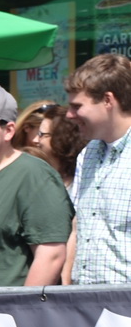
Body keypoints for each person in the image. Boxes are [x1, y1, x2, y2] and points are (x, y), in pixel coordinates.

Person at [0, 85, 71, 287]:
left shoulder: (34, 175)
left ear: (8, 130)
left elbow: (50, 255)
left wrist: (22, 310)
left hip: (1, 313)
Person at [66, 54, 131, 286]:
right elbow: (79, 225)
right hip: (86, 303)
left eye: (77, 106)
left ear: (107, 100)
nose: (69, 115)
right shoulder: (89, 153)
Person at [13, 100, 83, 187]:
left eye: (41, 134)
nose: (37, 140)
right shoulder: (20, 169)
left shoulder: (81, 179)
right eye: (38, 133)